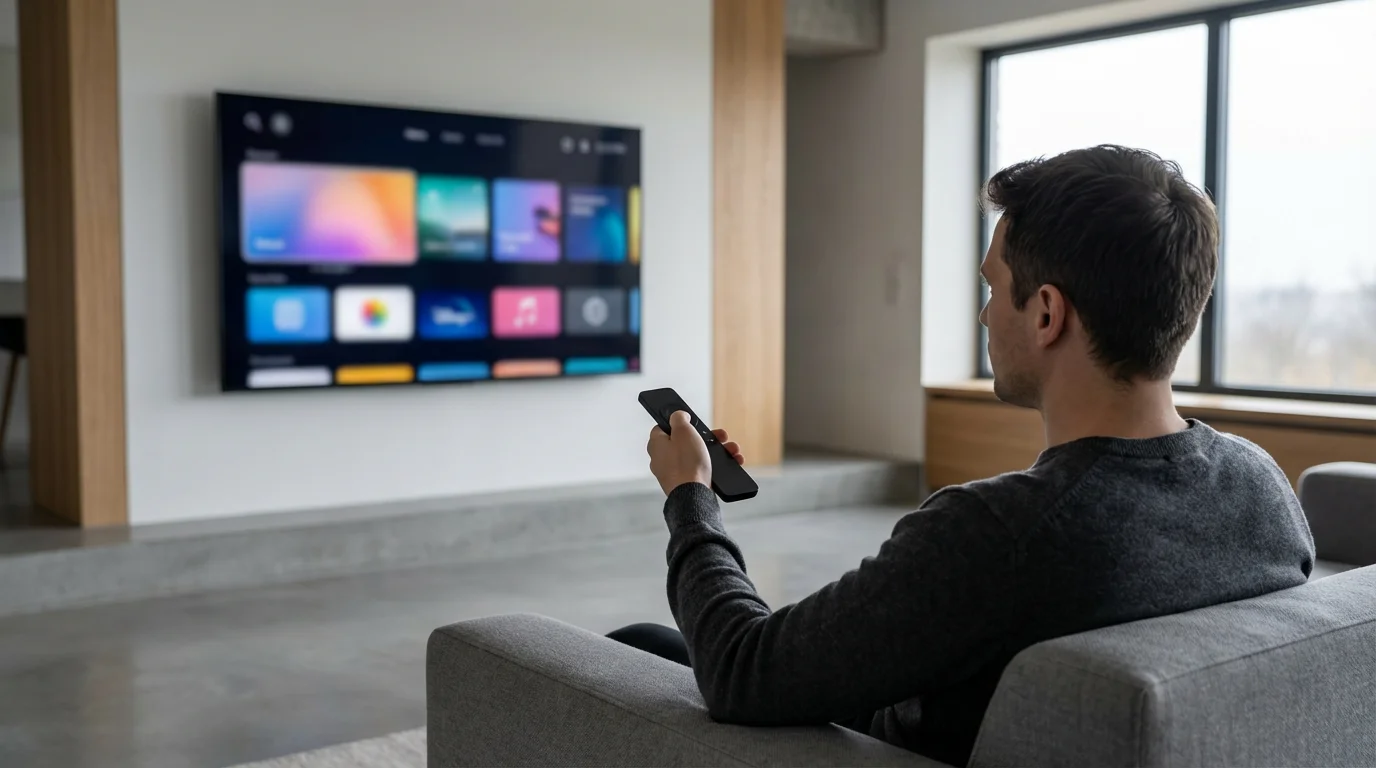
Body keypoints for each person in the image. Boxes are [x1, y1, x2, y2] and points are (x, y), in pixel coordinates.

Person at [609, 145, 1316, 767]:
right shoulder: (1262, 487)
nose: (983, 314)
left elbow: (740, 672)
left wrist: (690, 496)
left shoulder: (997, 534)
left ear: (1046, 314)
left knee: (633, 646)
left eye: (992, 288)